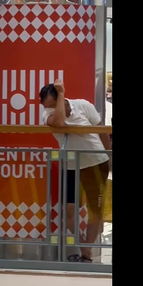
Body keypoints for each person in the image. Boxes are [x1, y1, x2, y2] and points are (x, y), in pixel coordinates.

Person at [39, 79, 110, 262]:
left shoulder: (83, 105)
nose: (50, 109)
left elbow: (101, 129)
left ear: (60, 99)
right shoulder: (47, 114)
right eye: (48, 106)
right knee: (68, 209)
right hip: (70, 165)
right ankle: (84, 247)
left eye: (54, 105)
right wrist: (60, 95)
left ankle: (86, 251)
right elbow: (60, 123)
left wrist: (109, 154)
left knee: (95, 210)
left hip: (96, 162)